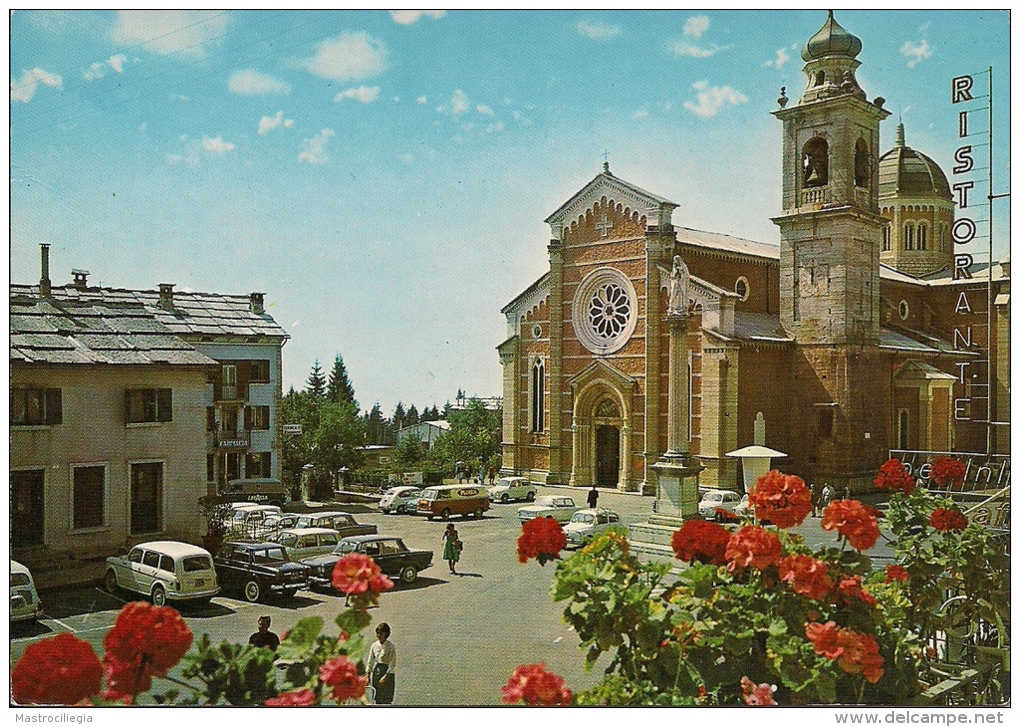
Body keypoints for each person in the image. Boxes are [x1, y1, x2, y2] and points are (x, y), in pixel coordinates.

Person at [366, 622, 396, 704]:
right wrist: (368, 675)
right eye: (377, 633)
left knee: (387, 699)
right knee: (377, 697)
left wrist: (386, 676)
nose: (378, 635)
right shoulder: (374, 645)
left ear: (386, 634)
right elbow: (370, 660)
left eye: (380, 633)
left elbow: (392, 662)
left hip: (387, 673)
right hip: (377, 672)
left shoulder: (390, 646)